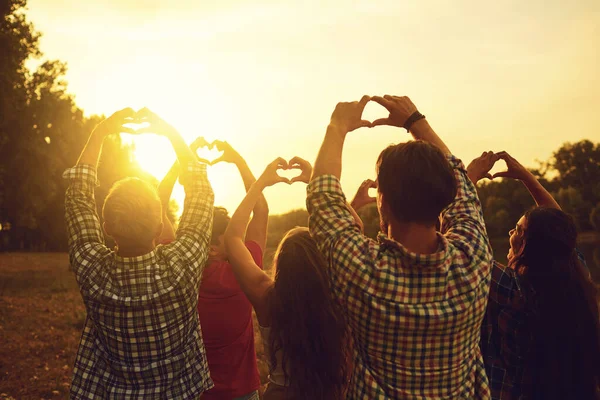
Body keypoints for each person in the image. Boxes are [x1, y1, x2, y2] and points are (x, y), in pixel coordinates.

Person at [306, 95, 493, 398]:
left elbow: (323, 198)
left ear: (384, 202)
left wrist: (337, 126)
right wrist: (415, 121)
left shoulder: (361, 271)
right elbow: (462, 184)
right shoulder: (473, 261)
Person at [64, 108, 214, 399]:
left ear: (107, 228)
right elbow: (201, 193)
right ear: (160, 227)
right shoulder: (182, 266)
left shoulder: (92, 271)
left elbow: (78, 199)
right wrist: (170, 132)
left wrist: (99, 133)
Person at [468, 151, 600, 399]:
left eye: (518, 231)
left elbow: (466, 244)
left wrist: (469, 178)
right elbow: (558, 226)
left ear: (533, 246)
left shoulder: (512, 290)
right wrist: (525, 176)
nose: (510, 233)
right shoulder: (574, 274)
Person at [223, 157, 352, 400]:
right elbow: (351, 228)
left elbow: (232, 239)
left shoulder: (266, 296)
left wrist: (259, 184)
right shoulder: (340, 293)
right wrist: (316, 180)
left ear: (280, 263)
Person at [197, 141, 266, 400]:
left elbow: (162, 217)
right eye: (229, 236)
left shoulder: (182, 274)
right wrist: (238, 160)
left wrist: (182, 164)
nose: (236, 238)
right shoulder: (242, 274)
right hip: (242, 392)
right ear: (214, 247)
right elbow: (261, 210)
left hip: (197, 392)